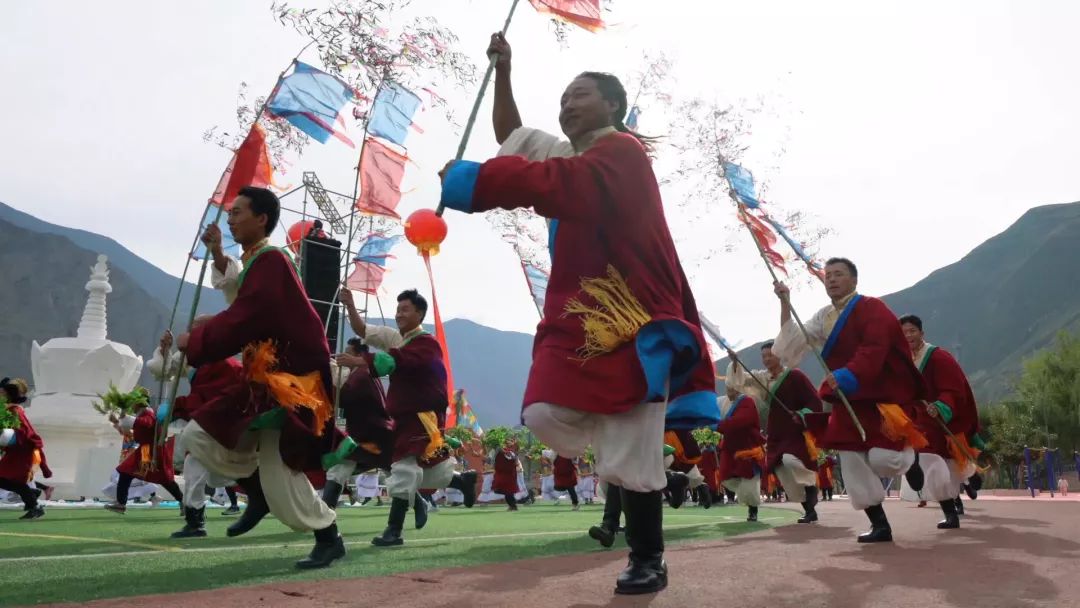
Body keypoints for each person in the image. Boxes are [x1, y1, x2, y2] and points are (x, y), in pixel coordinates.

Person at [437, 33, 719, 596]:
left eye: (581, 95)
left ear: (611, 106)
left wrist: (476, 181)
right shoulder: (569, 154)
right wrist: (504, 73)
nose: (567, 104)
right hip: (582, 318)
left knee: (634, 441)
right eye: (563, 97)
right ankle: (617, 452)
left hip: (635, 318)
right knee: (543, 411)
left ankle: (647, 556)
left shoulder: (620, 153)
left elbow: (564, 185)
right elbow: (512, 142)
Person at [174, 186, 344, 569]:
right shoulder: (258, 263)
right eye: (229, 212)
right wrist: (217, 256)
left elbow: (246, 314)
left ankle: (327, 536)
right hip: (263, 379)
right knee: (199, 436)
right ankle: (259, 494)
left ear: (262, 218)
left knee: (279, 465)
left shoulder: (271, 260)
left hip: (289, 380)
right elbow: (239, 300)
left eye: (237, 212)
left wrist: (198, 338)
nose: (230, 217)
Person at [771, 258, 928, 543]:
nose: (831, 279)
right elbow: (792, 344)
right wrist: (785, 302)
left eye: (839, 274)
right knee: (852, 461)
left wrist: (848, 374)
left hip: (880, 397)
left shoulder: (872, 308)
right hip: (846, 400)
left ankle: (910, 460)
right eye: (828, 275)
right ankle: (880, 524)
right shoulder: (823, 318)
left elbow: (875, 348)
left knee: (884, 459)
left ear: (854, 280)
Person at [340, 287, 477, 546]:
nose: (399, 314)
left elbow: (400, 361)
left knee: (403, 466)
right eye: (398, 309)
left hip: (421, 415)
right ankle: (460, 481)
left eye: (405, 310)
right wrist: (349, 305)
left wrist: (360, 362)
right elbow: (364, 331)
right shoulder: (397, 340)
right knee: (428, 469)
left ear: (420, 313)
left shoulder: (427, 343)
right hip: (402, 416)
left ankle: (394, 531)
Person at [149, 321, 245, 525]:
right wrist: (164, 350)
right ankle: (195, 520)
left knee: (229, 470)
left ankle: (255, 498)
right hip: (201, 424)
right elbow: (165, 372)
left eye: (197, 330)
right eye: (191, 329)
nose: (191, 333)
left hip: (220, 424)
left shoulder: (226, 362)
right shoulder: (188, 355)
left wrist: (177, 407)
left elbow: (214, 396)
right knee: (194, 465)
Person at [727, 342, 826, 523]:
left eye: (770, 355)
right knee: (781, 469)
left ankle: (810, 486)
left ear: (779, 354)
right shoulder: (762, 379)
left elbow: (814, 402)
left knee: (790, 460)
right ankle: (809, 510)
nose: (766, 359)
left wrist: (802, 414)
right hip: (776, 431)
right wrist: (736, 362)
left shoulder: (795, 375)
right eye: (763, 356)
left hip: (795, 429)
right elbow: (740, 380)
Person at [899, 314, 980, 530]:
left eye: (912, 331)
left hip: (943, 421)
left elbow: (954, 389)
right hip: (920, 426)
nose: (908, 336)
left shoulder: (938, 357)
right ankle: (950, 513)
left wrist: (941, 406)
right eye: (904, 333)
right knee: (933, 467)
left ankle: (971, 480)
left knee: (954, 467)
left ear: (921, 333)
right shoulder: (903, 363)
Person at [320, 338, 395, 509]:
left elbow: (345, 398)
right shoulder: (360, 374)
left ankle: (420, 502)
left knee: (398, 475)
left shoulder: (362, 374)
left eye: (348, 352)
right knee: (338, 469)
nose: (343, 355)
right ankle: (325, 516)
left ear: (359, 355)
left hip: (372, 437)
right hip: (365, 436)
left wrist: (327, 382)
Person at [104, 387, 184, 513]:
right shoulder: (144, 414)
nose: (132, 405)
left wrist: (126, 419)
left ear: (139, 403)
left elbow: (146, 424)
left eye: (133, 402)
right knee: (127, 472)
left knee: (162, 478)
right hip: (145, 450)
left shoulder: (148, 414)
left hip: (151, 451)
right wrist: (121, 419)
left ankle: (183, 501)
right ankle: (121, 503)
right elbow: (133, 428)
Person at [716, 378, 767, 522]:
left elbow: (741, 421)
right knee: (725, 477)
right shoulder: (728, 404)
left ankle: (753, 510)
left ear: (738, 389)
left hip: (747, 449)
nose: (729, 392)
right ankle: (744, 495)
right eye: (727, 389)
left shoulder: (747, 402)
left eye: (731, 389)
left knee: (749, 481)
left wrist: (719, 426)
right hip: (730, 448)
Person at [0, 378, 51, 519]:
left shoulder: (15, 411)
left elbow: (25, 432)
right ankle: (30, 495)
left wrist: (6, 434)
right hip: (15, 451)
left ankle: (33, 503)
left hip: (22, 451)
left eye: (2, 392)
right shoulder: (8, 410)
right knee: (9, 480)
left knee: (11, 480)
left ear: (8, 395)